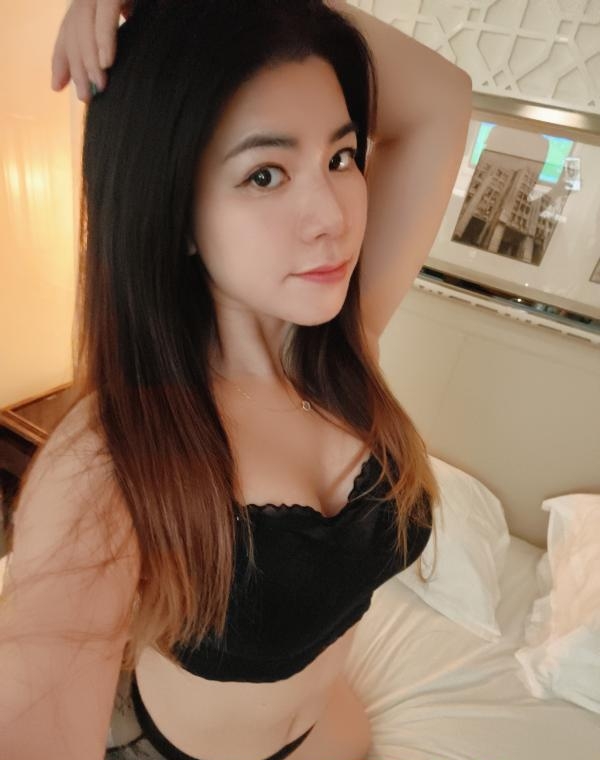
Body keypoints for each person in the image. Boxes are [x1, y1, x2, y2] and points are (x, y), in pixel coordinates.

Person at [0, 1, 472, 758]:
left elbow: (443, 100)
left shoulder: (344, 343)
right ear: (174, 209)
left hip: (332, 730)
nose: (332, 217)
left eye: (341, 157)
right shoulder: (106, 461)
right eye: (264, 174)